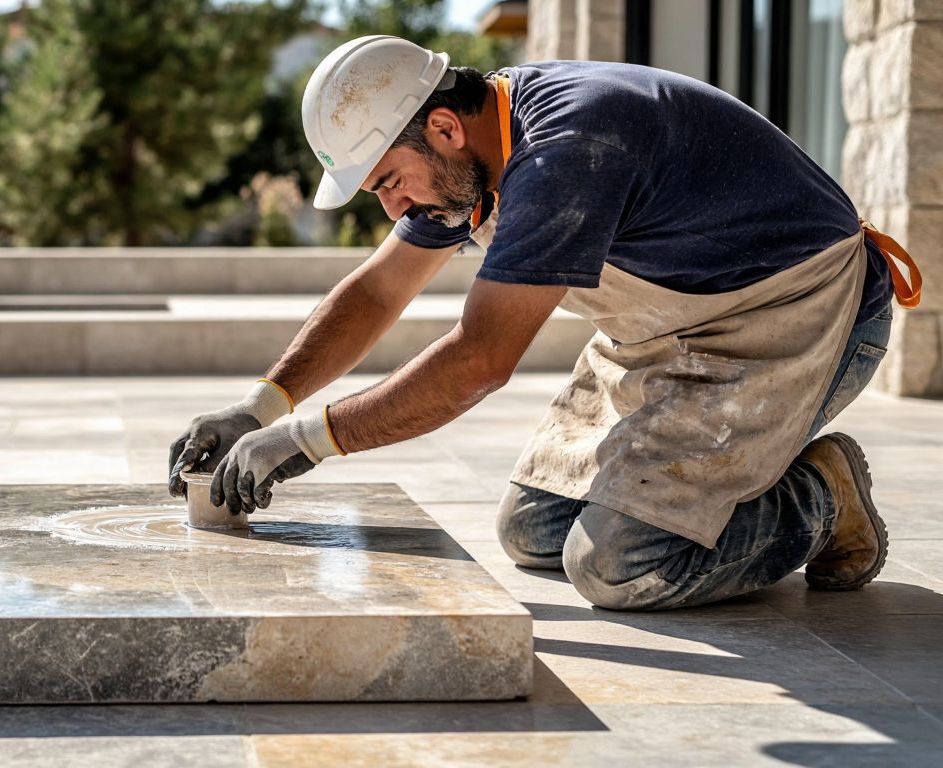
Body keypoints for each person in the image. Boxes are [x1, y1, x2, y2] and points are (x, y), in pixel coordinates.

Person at [167, 36, 922, 611]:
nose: (392, 210)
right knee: (531, 533)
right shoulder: (469, 161)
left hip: (794, 322)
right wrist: (261, 406)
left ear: (442, 128)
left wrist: (306, 440)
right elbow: (375, 294)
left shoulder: (568, 149)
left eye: (390, 183)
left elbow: (480, 361)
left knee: (619, 565)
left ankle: (822, 498)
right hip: (670, 334)